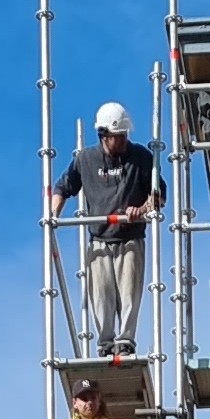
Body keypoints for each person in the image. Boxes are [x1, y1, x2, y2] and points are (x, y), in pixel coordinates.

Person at [51, 102, 162, 356]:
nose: (123, 140)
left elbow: (158, 196)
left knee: (129, 293)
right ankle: (106, 343)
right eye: (117, 136)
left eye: (124, 135)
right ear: (103, 135)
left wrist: (141, 209)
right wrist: (53, 216)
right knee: (100, 295)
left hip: (131, 238)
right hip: (99, 239)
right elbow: (63, 188)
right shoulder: (86, 159)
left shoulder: (141, 157)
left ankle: (125, 341)